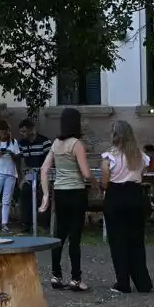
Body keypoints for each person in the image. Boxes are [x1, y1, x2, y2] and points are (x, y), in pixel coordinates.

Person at [39, 107, 93, 292]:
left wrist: (46, 194)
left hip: (60, 192)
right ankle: (76, 279)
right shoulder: (77, 144)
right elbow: (85, 173)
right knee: (74, 237)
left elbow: (44, 170)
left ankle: (56, 275)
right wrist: (95, 182)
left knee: (59, 235)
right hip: (76, 192)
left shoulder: (55, 144)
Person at [101, 119, 153, 293]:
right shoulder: (140, 156)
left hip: (116, 195)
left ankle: (122, 281)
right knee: (136, 240)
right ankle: (143, 282)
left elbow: (105, 181)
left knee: (118, 241)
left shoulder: (109, 156)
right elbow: (143, 174)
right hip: (135, 195)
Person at [15, 119, 51, 234]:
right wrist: (23, 178)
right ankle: (26, 224)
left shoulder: (44, 142)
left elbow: (49, 161)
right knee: (25, 192)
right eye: (21, 132)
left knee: (43, 194)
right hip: (30, 174)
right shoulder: (22, 143)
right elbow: (22, 162)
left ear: (31, 129)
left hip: (44, 173)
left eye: (24, 131)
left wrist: (43, 177)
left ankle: (45, 224)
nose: (22, 134)